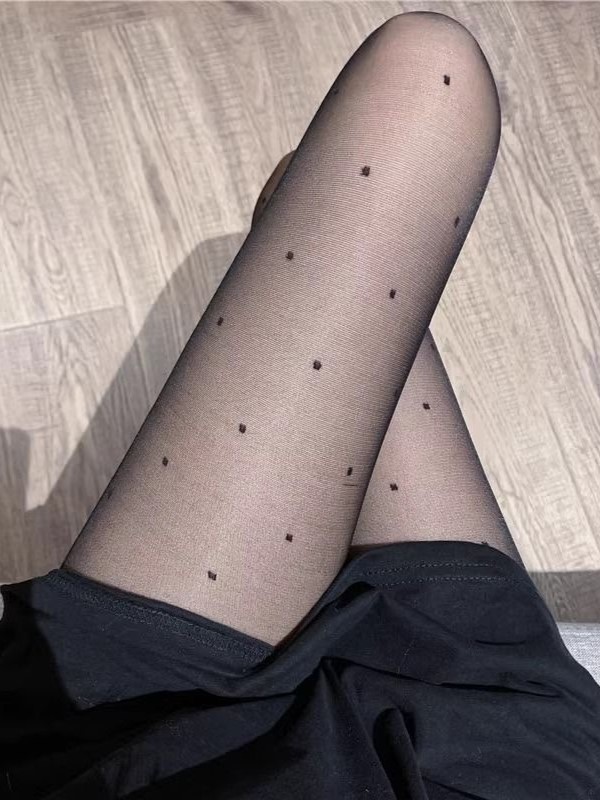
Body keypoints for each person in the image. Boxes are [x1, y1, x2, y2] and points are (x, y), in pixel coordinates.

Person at [1, 11, 599, 800]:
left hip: (154, 735)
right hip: (490, 752)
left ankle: (296, 231)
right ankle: (297, 230)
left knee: (414, 93)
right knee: (425, 80)